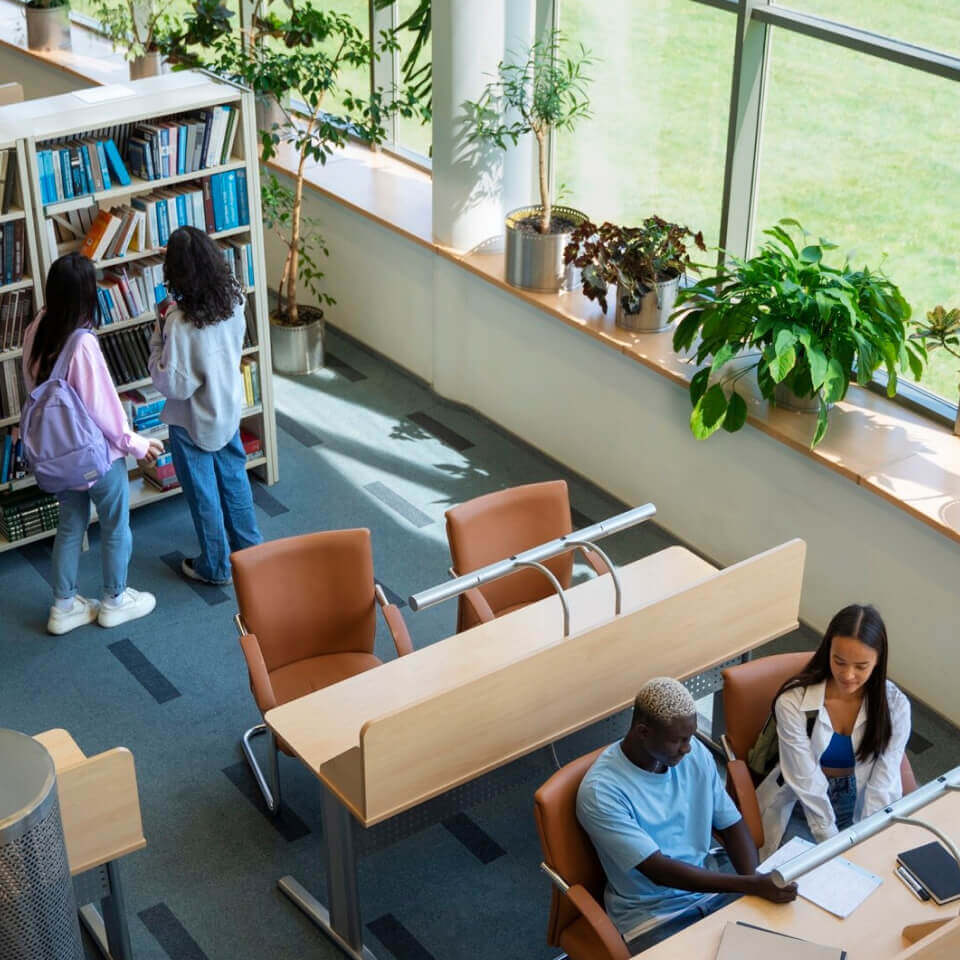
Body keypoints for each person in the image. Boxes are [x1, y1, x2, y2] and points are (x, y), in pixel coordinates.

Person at [576, 677, 797, 953]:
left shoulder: (692, 756)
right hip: (654, 918)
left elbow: (731, 825)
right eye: (677, 740)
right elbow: (658, 871)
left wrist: (752, 881)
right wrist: (749, 885)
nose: (687, 747)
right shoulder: (601, 792)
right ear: (643, 732)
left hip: (711, 893)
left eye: (690, 736)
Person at [21, 253, 162, 634]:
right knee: (116, 523)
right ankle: (114, 600)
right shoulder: (81, 343)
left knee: (70, 525)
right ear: (86, 296)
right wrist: (136, 444)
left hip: (56, 457)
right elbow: (104, 410)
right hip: (94, 456)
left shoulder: (36, 327)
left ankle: (63, 606)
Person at [148, 226, 262, 585]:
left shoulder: (179, 323)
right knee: (234, 478)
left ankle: (215, 565)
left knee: (203, 493)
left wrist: (157, 336)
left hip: (191, 420)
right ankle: (254, 555)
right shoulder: (235, 299)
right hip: (227, 406)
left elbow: (174, 384)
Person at [757, 604, 911, 860]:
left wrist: (865, 836)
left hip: (861, 799)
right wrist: (832, 845)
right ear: (827, 649)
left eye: (861, 666)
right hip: (803, 803)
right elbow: (806, 781)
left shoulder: (895, 706)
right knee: (808, 875)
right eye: (839, 661)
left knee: (876, 868)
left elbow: (882, 783)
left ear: (878, 661)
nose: (848, 675)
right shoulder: (793, 702)